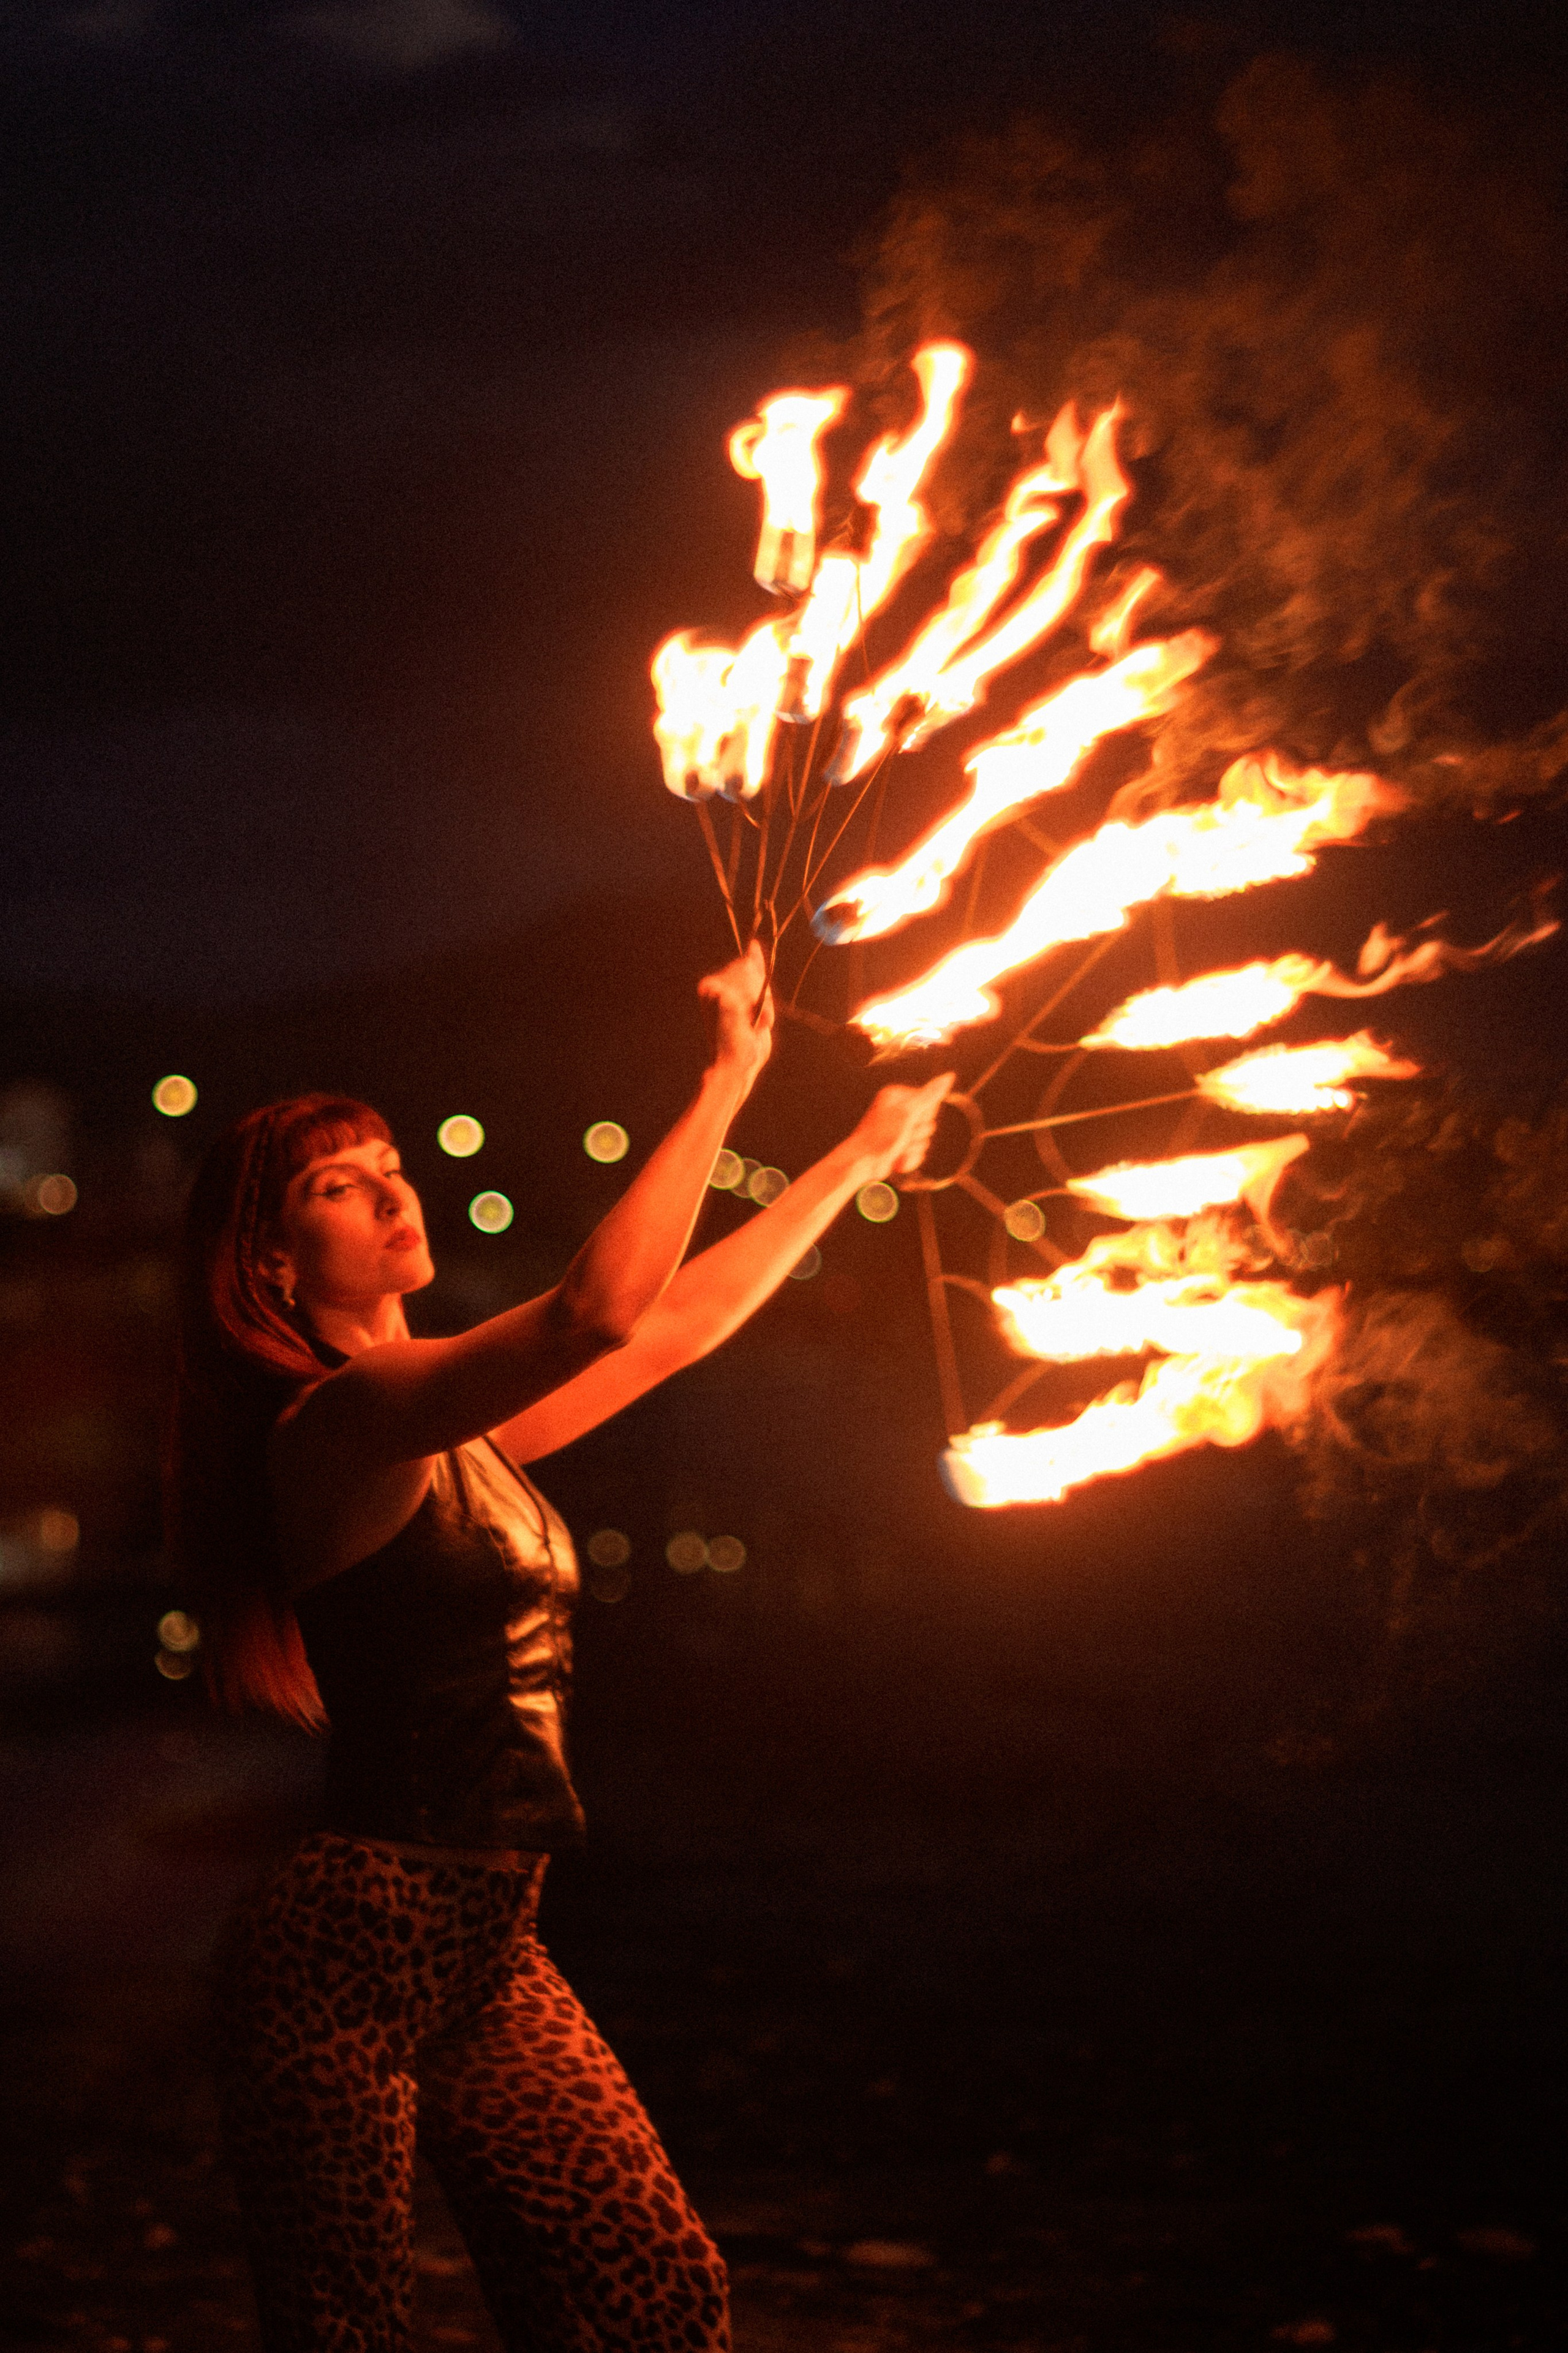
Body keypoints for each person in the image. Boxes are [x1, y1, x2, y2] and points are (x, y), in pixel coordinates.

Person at [167, 940, 951, 2353]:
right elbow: (594, 1306)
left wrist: (855, 1151)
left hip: (488, 1944)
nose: (392, 1187)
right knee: (343, 2330)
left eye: (391, 1160)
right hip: (347, 1950)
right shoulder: (333, 1429)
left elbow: (661, 1332)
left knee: (647, 2295)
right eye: (337, 1185)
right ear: (274, 1263)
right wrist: (726, 1075)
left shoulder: (454, 1430)